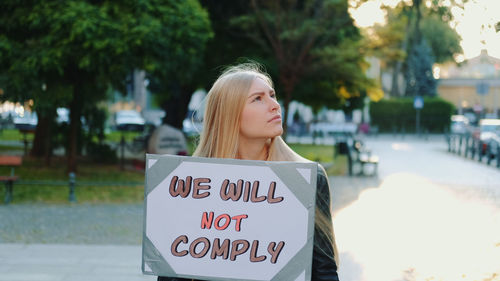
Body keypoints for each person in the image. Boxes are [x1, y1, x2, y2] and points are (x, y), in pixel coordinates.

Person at [158, 63, 340, 281]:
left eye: (272, 96)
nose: (275, 105)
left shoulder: (308, 179)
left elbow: (324, 271)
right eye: (258, 99)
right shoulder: (190, 185)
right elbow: (173, 272)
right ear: (230, 114)